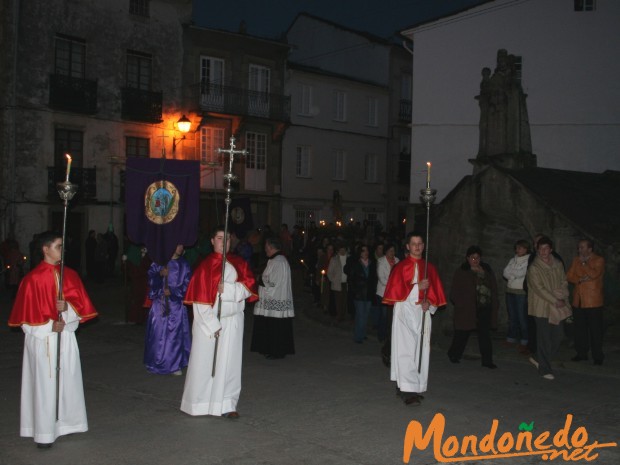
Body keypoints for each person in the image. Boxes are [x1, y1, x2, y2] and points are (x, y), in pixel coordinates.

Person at [8, 231, 98, 448]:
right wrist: (50, 326)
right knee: (45, 385)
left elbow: (80, 309)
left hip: (65, 338)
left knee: (67, 380)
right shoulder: (32, 280)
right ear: (45, 249)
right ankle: (44, 432)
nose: (62, 250)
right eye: (58, 246)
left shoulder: (70, 275)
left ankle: (67, 423)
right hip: (43, 342)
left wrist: (66, 312)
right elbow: (26, 321)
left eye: (62, 246)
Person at [180, 226, 257, 418]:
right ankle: (201, 404)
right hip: (211, 323)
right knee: (206, 364)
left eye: (228, 239)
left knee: (230, 365)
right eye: (220, 238)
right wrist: (212, 325)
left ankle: (227, 403)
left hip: (234, 322)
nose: (224, 242)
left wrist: (228, 290)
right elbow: (199, 302)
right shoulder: (205, 266)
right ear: (212, 241)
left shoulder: (239, 262)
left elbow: (248, 289)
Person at [383, 231, 446, 406]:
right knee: (405, 349)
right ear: (408, 246)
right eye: (414, 243)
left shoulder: (429, 268)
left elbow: (435, 294)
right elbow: (397, 292)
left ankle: (412, 384)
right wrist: (418, 286)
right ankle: (406, 390)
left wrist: (430, 304)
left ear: (423, 246)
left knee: (420, 350)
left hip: (422, 314)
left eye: (420, 243)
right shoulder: (401, 267)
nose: (417, 246)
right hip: (404, 312)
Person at [447, 246, 500, 369]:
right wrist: (461, 304)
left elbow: (493, 287)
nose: (475, 260)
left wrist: (494, 302)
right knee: (462, 333)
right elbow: (454, 291)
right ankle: (454, 354)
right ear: (468, 258)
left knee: (484, 335)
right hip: (468, 307)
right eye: (472, 258)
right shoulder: (462, 271)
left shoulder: (486, 270)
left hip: (484, 307)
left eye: (477, 257)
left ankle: (487, 360)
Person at [144, 244, 192, 375]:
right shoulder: (160, 262)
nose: (180, 247)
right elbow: (150, 279)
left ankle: (174, 364)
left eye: (182, 245)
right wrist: (160, 275)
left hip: (176, 304)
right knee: (157, 332)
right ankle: (154, 362)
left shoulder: (184, 265)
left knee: (174, 335)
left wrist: (173, 291)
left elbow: (187, 284)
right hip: (160, 303)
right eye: (177, 245)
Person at [527, 236, 570, 380]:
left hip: (557, 304)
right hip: (541, 306)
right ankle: (544, 369)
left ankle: (539, 358)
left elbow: (564, 280)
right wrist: (554, 299)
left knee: (558, 335)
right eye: (541, 249)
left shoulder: (557, 263)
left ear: (551, 249)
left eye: (546, 248)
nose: (543, 251)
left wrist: (563, 295)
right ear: (537, 249)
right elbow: (538, 288)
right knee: (544, 337)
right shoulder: (534, 267)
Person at [251, 235, 295, 359]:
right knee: (272, 326)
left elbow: (273, 283)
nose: (265, 249)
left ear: (270, 246)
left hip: (275, 300)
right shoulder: (278, 260)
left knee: (275, 327)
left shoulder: (278, 262)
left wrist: (259, 279)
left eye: (266, 246)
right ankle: (270, 349)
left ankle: (276, 351)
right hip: (274, 299)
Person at [566, 239, 605, 365]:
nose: (580, 250)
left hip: (593, 301)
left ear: (590, 249)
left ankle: (598, 356)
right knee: (580, 329)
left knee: (595, 330)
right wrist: (580, 279)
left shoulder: (599, 260)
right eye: (579, 247)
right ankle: (581, 353)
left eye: (582, 247)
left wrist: (584, 264)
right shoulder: (576, 260)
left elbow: (594, 274)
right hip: (578, 300)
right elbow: (569, 276)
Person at [345, 244, 378, 343]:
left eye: (367, 251)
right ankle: (358, 336)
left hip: (368, 293)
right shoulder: (356, 264)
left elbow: (374, 278)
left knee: (366, 315)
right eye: (363, 251)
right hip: (359, 293)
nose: (366, 253)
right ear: (360, 253)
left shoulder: (372, 263)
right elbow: (351, 279)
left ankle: (363, 334)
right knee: (360, 315)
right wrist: (355, 290)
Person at [503, 240, 531, 353]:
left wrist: (512, 275)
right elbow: (505, 272)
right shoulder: (512, 259)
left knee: (522, 318)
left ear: (525, 249)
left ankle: (525, 341)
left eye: (520, 248)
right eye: (517, 248)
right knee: (512, 316)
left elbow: (522, 273)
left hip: (521, 293)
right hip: (510, 291)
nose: (517, 250)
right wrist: (513, 275)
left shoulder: (529, 260)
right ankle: (511, 338)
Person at [377, 243, 399, 364]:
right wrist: (394, 285)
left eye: (393, 251)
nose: (392, 253)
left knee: (392, 320)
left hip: (395, 295)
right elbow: (382, 278)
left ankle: (389, 342)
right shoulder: (381, 262)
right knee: (385, 316)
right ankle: (383, 336)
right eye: (390, 251)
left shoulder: (397, 261)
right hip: (384, 293)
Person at [327, 242, 349, 322]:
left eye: (344, 250)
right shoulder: (334, 259)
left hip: (346, 283)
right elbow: (329, 272)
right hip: (337, 283)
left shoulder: (348, 258)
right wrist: (333, 280)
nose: (342, 251)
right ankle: (339, 316)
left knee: (344, 300)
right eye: (341, 249)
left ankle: (343, 315)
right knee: (338, 301)